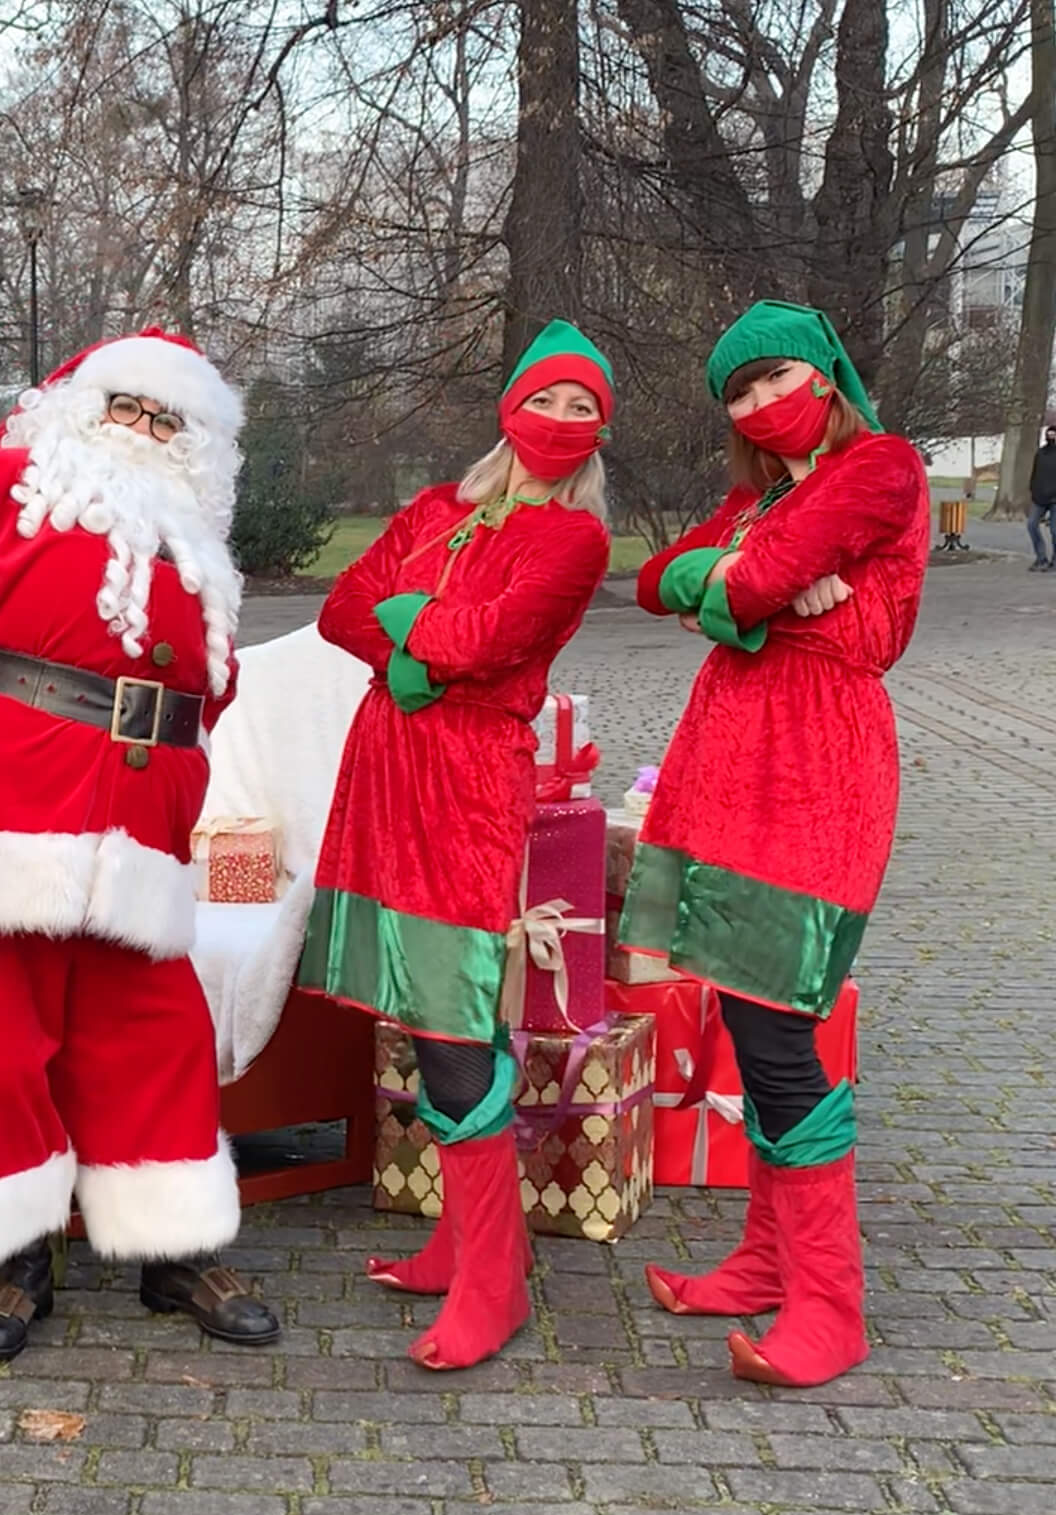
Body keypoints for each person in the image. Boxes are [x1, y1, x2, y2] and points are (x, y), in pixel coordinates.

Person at [0, 328, 281, 1363]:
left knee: (150, 1034)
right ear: (81, 404)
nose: (145, 431)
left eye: (169, 420)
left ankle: (173, 1247)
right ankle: (15, 1256)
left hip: (131, 836)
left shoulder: (194, 542)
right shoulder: (7, 481)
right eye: (128, 407)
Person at [299, 321, 617, 1372]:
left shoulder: (573, 541)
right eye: (551, 399)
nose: (563, 422)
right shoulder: (440, 506)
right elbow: (344, 609)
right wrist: (415, 634)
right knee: (413, 999)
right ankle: (461, 1239)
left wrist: (417, 633)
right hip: (385, 762)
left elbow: (486, 642)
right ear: (510, 405)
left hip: (469, 777)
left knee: (450, 1013)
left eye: (585, 410)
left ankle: (496, 1281)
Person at [623, 300, 927, 1388]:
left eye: (772, 378)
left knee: (781, 1027)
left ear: (827, 373)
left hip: (814, 772)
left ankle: (829, 1306)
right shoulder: (764, 496)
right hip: (730, 761)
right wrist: (756, 571)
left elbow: (736, 579)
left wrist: (749, 575)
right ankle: (762, 1259)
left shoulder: (879, 466)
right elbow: (657, 578)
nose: (758, 403)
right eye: (739, 394)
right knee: (742, 1013)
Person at [1026, 423, 1056, 571]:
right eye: (1049, 435)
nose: (1051, 437)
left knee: (1055, 530)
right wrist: (1033, 489)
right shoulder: (1041, 452)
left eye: (1054, 435)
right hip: (1039, 497)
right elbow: (1035, 473)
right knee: (1031, 525)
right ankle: (1041, 557)